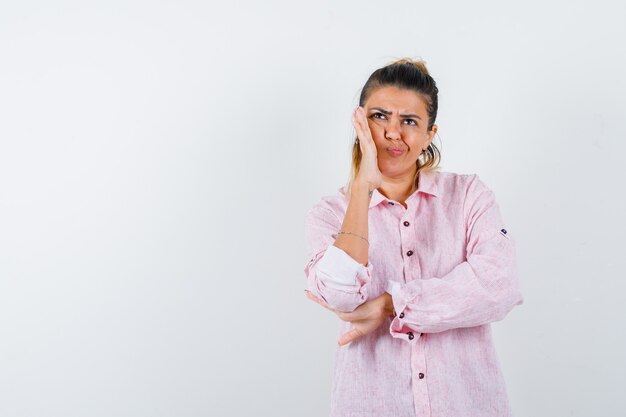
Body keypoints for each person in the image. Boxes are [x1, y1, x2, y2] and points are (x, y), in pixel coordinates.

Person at [303, 58, 524, 417]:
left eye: (409, 121)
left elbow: (498, 286)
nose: (393, 132)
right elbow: (340, 295)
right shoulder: (329, 213)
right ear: (359, 121)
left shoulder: (468, 195)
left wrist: (392, 303)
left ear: (428, 135)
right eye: (379, 116)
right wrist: (363, 188)